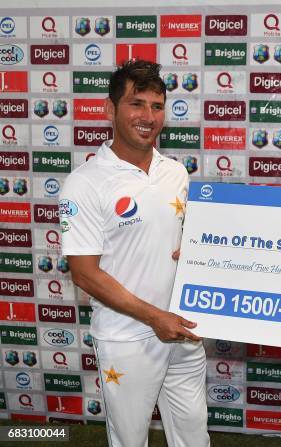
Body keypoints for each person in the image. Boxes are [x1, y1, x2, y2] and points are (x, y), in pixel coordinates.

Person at [59, 60, 209, 447]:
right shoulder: (85, 184)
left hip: (183, 329)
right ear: (110, 110)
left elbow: (178, 241)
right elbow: (85, 275)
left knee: (194, 437)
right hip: (127, 340)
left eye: (157, 106)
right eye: (136, 104)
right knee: (130, 441)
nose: (148, 116)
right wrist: (154, 317)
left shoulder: (176, 172)